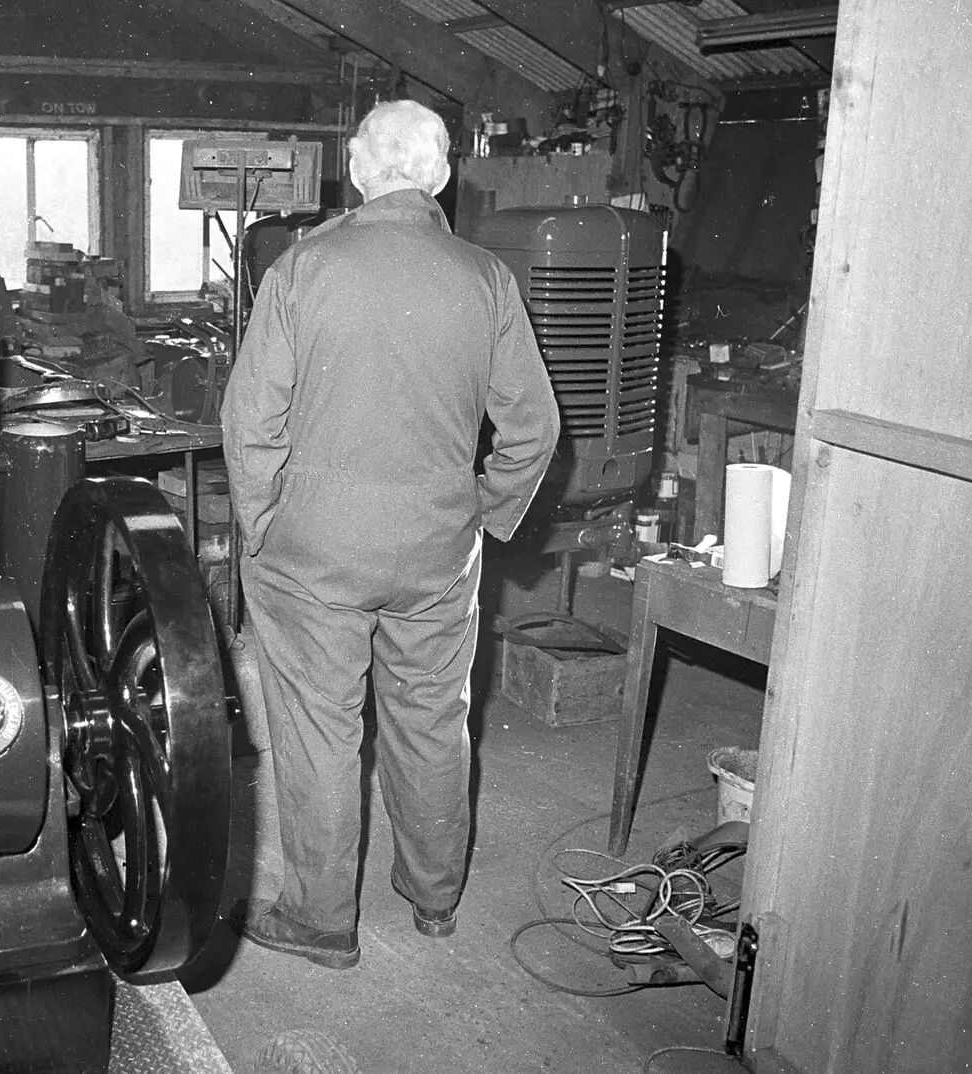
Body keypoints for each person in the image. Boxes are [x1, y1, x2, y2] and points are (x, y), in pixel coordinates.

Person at [221, 99, 560, 969]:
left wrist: (260, 522)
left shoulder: (302, 270)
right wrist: (486, 510)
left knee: (321, 729)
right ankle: (435, 896)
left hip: (313, 552)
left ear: (358, 171)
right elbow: (535, 429)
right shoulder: (487, 278)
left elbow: (249, 420)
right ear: (442, 176)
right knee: (432, 719)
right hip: (439, 548)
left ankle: (323, 920)